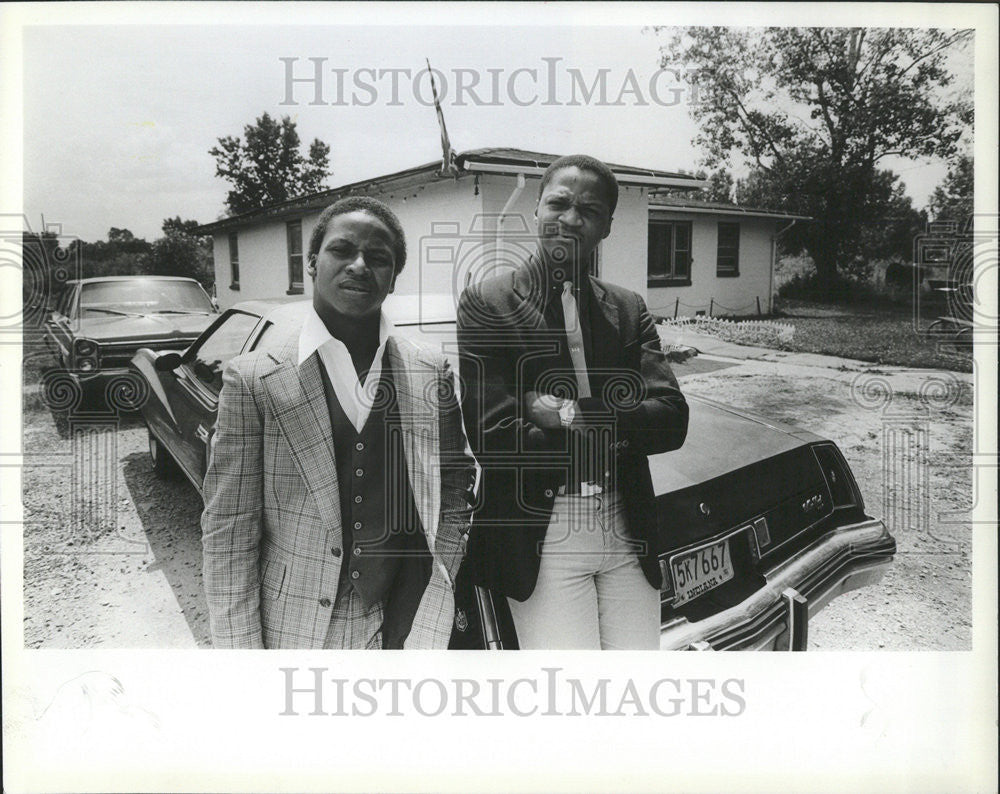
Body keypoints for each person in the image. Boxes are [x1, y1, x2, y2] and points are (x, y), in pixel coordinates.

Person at [202, 196, 475, 649]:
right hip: (298, 628)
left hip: (408, 619)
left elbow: (457, 481)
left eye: (379, 258)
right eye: (342, 250)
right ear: (311, 263)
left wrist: (438, 577)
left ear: (393, 277)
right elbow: (229, 532)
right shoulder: (254, 379)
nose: (360, 265)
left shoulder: (430, 370)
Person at [456, 154, 689, 649]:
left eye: (588, 209)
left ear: (606, 224)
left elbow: (671, 420)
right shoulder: (488, 304)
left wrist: (567, 412)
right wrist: (623, 424)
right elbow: (496, 441)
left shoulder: (627, 308)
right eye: (558, 203)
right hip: (547, 531)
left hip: (626, 523)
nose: (569, 218)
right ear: (537, 210)